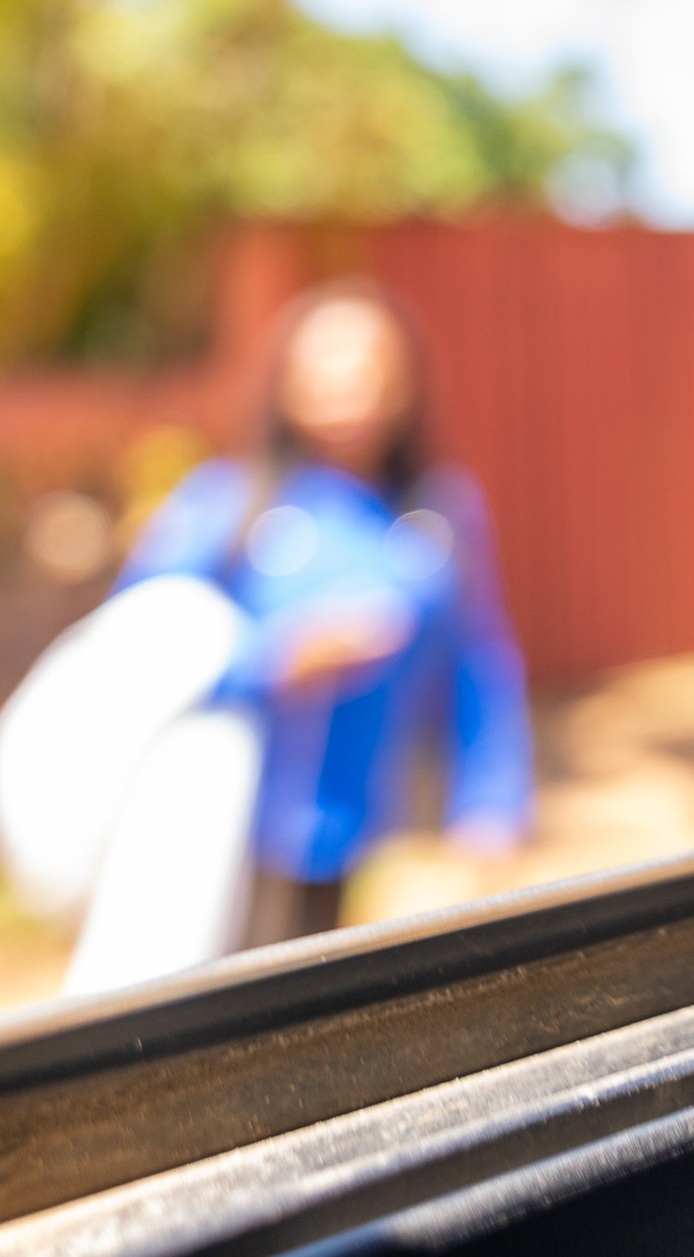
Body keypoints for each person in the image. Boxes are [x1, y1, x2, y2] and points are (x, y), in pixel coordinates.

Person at [113, 278, 532, 944]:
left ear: (405, 382)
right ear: (284, 384)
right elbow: (134, 643)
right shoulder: (226, 504)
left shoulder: (435, 518)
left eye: (366, 374)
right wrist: (274, 660)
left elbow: (478, 671)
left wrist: (489, 809)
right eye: (322, 375)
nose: (345, 395)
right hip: (218, 833)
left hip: (352, 840)